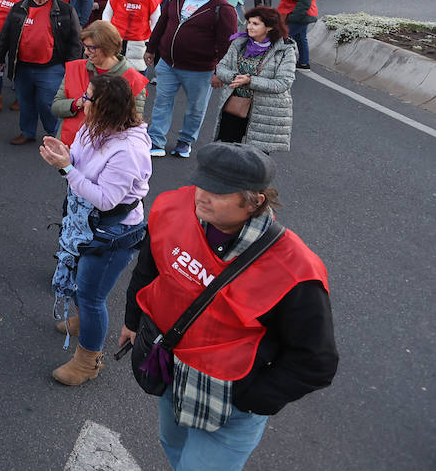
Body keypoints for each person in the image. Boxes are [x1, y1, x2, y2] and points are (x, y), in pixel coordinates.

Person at [120, 143, 337, 471]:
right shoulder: (173, 209)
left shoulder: (294, 271)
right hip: (170, 370)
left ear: (255, 201)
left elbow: (316, 361)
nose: (201, 196)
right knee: (172, 445)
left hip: (229, 400)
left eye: (218, 192)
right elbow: (148, 269)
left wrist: (250, 398)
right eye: (201, 183)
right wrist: (132, 321)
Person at [40, 73, 151, 385]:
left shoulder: (128, 151)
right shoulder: (94, 126)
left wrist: (65, 167)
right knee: (81, 281)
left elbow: (106, 199)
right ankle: (82, 320)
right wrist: (65, 154)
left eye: (89, 98)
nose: (82, 101)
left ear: (108, 108)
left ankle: (88, 361)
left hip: (112, 232)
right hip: (87, 222)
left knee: (91, 297)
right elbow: (78, 158)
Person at [145, 0, 237, 158]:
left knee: (196, 108)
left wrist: (220, 71)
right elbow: (162, 23)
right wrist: (151, 48)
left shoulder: (223, 9)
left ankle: (185, 142)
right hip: (168, 64)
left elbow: (227, 44)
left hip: (200, 70)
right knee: (162, 102)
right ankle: (156, 140)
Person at [0, 0, 83, 146]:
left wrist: (72, 66)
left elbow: (75, 41)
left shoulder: (65, 10)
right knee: (25, 102)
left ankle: (55, 135)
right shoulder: (18, 8)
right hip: (22, 66)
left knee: (48, 103)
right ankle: (27, 132)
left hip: (52, 66)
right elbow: (6, 34)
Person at [212, 6, 296, 152]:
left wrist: (250, 81)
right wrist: (234, 77)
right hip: (235, 104)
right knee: (227, 151)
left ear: (269, 27)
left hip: (265, 111)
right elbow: (221, 67)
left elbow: (284, 83)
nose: (249, 27)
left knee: (257, 157)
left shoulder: (285, 50)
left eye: (255, 24)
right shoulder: (239, 43)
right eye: (249, 22)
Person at [52, 20, 148, 146]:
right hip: (70, 144)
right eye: (85, 46)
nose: (86, 52)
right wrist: (78, 103)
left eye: (91, 48)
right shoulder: (74, 68)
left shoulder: (134, 80)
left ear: (108, 47)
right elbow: (56, 107)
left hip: (106, 152)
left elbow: (133, 125)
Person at [102, 0, 162, 71]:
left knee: (137, 77)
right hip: (116, 38)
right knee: (113, 75)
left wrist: (152, 43)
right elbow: (107, 14)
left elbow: (156, 21)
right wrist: (107, 33)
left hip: (139, 41)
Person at [277, 0, 317, 70]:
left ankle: (282, 63)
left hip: (299, 16)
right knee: (300, 38)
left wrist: (292, 17)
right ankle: (304, 63)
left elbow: (305, 3)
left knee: (283, 38)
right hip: (298, 14)